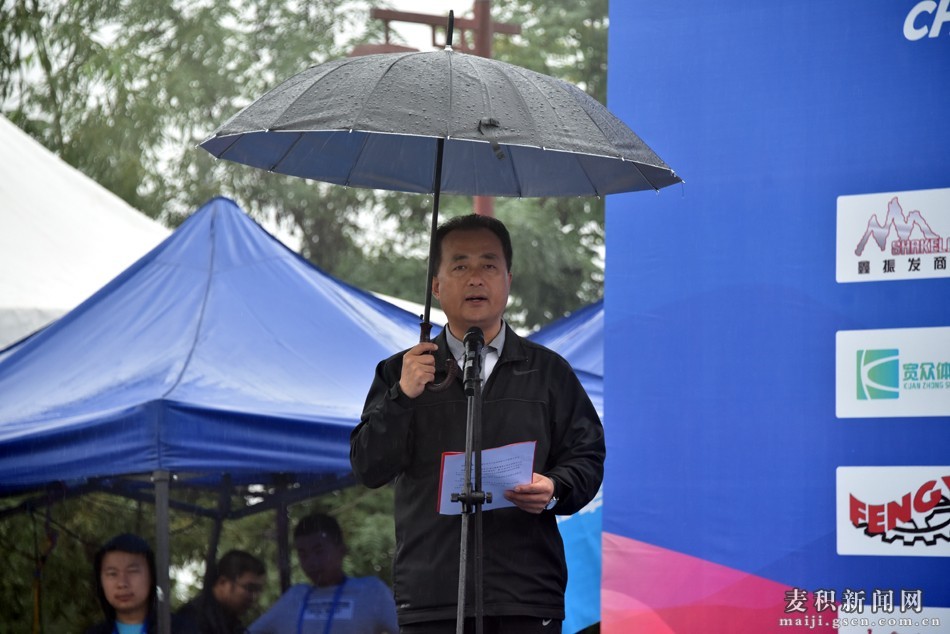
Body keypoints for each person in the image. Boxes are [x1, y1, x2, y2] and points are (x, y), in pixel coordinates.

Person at [350, 214, 605, 633]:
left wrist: (555, 488)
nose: (475, 278)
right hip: (432, 599)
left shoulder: (548, 372)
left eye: (488, 264)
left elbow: (587, 457)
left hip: (524, 595)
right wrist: (402, 396)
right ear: (436, 286)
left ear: (508, 279)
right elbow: (367, 466)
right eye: (460, 265)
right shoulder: (402, 372)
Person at [248, 512, 398, 634]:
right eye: (303, 554)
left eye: (319, 551)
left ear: (341, 550)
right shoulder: (294, 597)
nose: (311, 562)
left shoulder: (371, 591)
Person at [175, 549, 267, 634]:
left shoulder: (230, 621)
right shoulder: (193, 619)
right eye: (249, 588)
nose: (254, 596)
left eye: (258, 590)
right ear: (223, 582)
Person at [85, 533, 158, 634]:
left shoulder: (175, 629)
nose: (122, 583)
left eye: (132, 571)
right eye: (112, 574)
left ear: (152, 576)